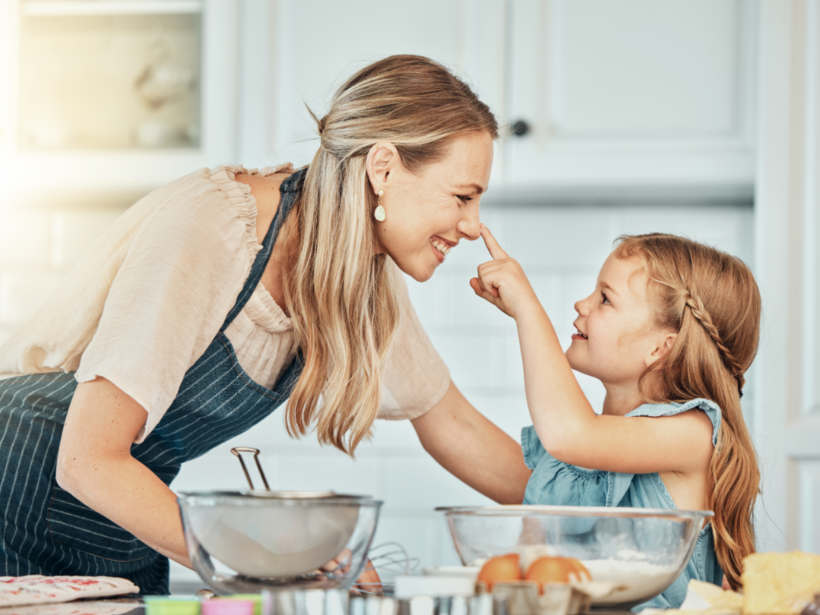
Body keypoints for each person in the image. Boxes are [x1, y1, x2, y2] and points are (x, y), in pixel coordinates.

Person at [0, 55, 532, 594]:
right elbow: (87, 459)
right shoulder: (213, 225)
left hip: (124, 514)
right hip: (16, 490)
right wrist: (264, 560)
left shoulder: (354, 270)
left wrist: (588, 517)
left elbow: (453, 425)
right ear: (384, 167)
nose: (472, 226)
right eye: (463, 196)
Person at [470, 227, 761, 609]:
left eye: (605, 298)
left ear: (661, 347)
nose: (581, 304)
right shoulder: (584, 457)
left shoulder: (692, 434)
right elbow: (459, 433)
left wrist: (527, 308)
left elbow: (570, 433)